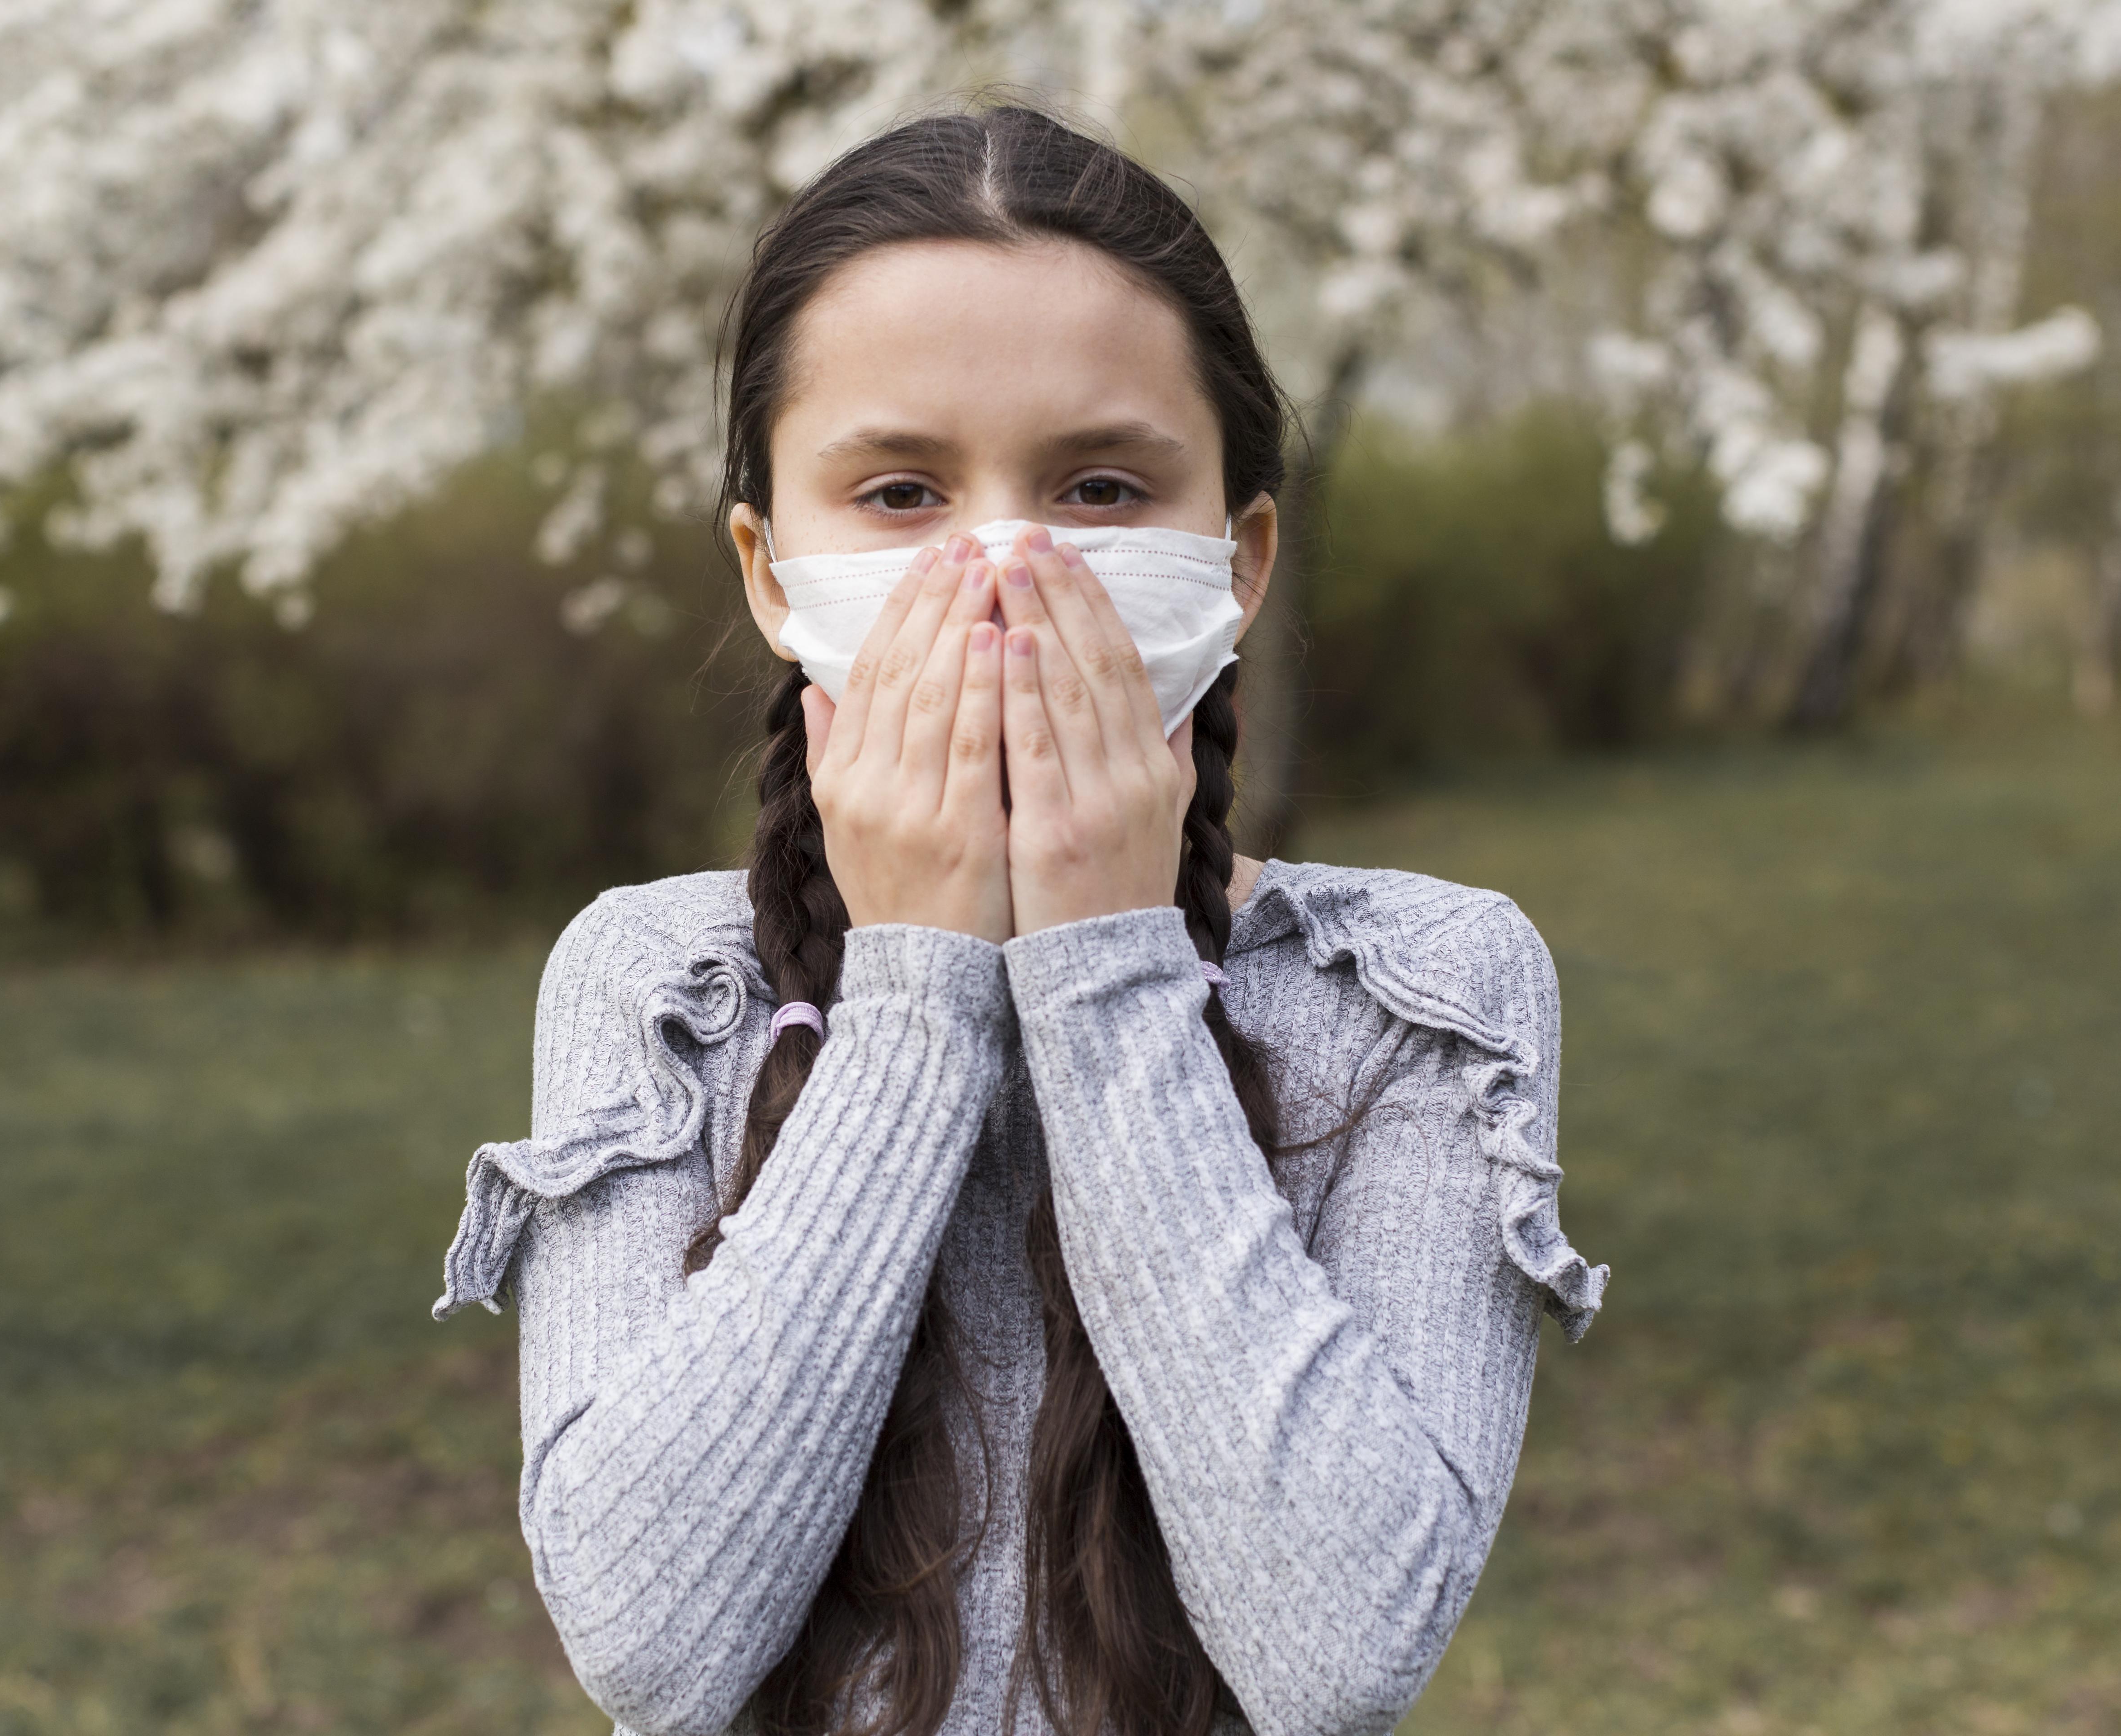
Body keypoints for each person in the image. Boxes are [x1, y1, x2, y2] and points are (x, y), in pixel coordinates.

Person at [434, 102, 1607, 1736]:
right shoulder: (658, 988)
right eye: (904, 492)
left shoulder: (1422, 995)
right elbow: (653, 1646)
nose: (1005, 565)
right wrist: (915, 993)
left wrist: (1106, 969)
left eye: (1103, 486)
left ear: (1241, 558)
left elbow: (1337, 1656)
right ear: (773, 575)